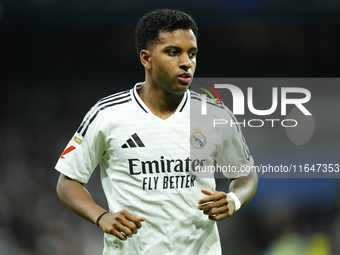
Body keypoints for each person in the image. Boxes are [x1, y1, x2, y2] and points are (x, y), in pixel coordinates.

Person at [55, 9, 258, 255]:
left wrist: (233, 200)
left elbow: (245, 174)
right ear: (146, 58)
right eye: (173, 52)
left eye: (192, 54)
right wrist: (101, 216)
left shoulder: (215, 114)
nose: (186, 63)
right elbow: (68, 182)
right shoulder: (107, 114)